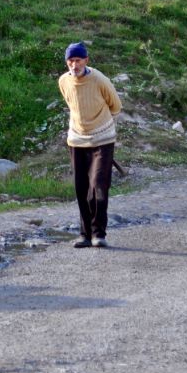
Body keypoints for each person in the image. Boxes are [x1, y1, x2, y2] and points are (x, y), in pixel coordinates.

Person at [58, 41, 123, 248]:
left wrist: (100, 126)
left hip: (102, 139)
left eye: (77, 60)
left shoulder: (99, 79)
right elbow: (71, 103)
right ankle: (85, 235)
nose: (74, 65)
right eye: (70, 61)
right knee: (81, 188)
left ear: (86, 60)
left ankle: (98, 234)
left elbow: (116, 105)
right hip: (77, 139)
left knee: (98, 186)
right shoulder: (63, 81)